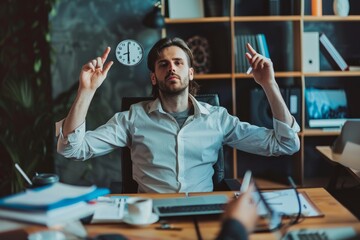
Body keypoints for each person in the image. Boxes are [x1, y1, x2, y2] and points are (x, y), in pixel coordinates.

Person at [56, 37, 300, 193]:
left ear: (191, 73)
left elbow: (286, 143)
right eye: (163, 64)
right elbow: (72, 148)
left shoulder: (217, 119)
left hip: (203, 213)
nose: (171, 67)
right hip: (150, 216)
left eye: (178, 62)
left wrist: (269, 84)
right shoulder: (132, 119)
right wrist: (86, 90)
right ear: (154, 77)